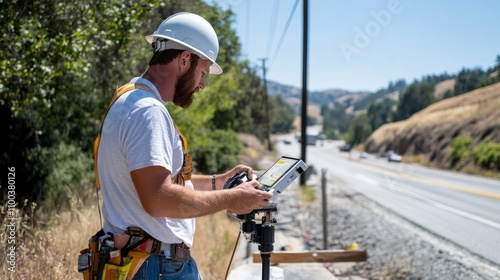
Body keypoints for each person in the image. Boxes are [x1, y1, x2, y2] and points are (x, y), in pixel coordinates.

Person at [96, 12, 273, 279]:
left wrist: (219, 181)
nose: (202, 84)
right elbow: (158, 198)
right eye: (202, 72)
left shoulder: (129, 98)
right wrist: (233, 198)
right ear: (184, 60)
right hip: (159, 268)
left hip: (147, 262)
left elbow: (160, 181)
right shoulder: (148, 112)